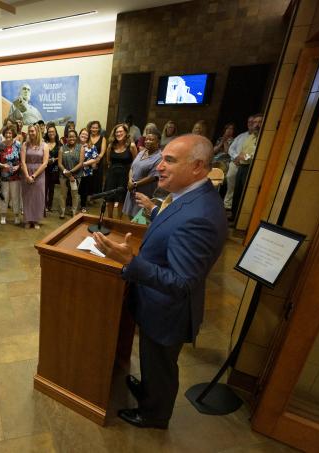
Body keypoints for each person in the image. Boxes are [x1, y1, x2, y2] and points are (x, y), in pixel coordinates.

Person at [93, 134, 227, 430]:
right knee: (153, 361)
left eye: (170, 160)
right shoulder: (189, 196)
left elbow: (181, 282)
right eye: (162, 158)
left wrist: (131, 262)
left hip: (168, 309)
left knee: (162, 365)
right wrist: (154, 211)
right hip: (156, 301)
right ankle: (149, 391)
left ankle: (154, 415)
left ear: (198, 167)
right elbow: (174, 225)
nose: (160, 167)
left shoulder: (201, 216)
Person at [122, 131, 163, 219]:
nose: (148, 141)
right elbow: (132, 167)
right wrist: (130, 181)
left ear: (158, 142)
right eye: (147, 139)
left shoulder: (159, 157)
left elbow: (153, 177)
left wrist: (135, 184)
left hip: (144, 192)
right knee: (130, 215)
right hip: (132, 189)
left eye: (151, 140)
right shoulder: (141, 152)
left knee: (140, 218)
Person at [231, 115, 263, 221]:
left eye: (259, 122)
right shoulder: (251, 136)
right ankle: (234, 216)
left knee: (244, 194)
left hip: (250, 168)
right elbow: (242, 151)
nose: (257, 125)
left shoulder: (262, 138)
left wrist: (243, 157)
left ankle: (240, 219)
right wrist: (238, 158)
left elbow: (256, 155)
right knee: (237, 192)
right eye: (255, 122)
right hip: (242, 167)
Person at [103, 123, 137, 219]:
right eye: (116, 132)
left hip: (124, 176)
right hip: (112, 175)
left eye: (121, 131)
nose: (118, 134)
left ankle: (119, 220)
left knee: (121, 199)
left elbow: (135, 163)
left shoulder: (132, 146)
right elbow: (108, 161)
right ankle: (109, 218)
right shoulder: (111, 146)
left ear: (126, 133)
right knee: (109, 199)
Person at [224, 115, 256, 210]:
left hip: (247, 164)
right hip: (235, 161)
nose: (251, 124)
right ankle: (227, 204)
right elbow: (231, 148)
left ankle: (236, 207)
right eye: (249, 122)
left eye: (253, 122)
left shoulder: (258, 137)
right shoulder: (242, 136)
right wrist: (236, 157)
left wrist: (242, 158)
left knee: (241, 187)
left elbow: (253, 153)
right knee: (230, 177)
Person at [20, 124, 48, 229]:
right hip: (26, 172)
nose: (31, 133)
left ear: (37, 132)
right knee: (27, 197)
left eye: (33, 131)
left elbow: (45, 163)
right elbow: (22, 161)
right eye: (29, 131)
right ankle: (28, 219)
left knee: (38, 197)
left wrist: (34, 176)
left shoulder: (44, 145)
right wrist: (27, 176)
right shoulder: (24, 145)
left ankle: (36, 220)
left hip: (39, 174)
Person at [6, 83, 71, 125]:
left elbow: (43, 124)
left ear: (30, 93)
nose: (26, 91)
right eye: (24, 89)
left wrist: (59, 120)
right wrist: (19, 105)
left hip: (37, 131)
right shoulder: (15, 105)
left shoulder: (35, 110)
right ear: (20, 91)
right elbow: (10, 121)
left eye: (28, 90)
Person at [0, 126, 22, 225]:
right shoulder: (0, 146)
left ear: (13, 134)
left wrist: (18, 166)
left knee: (16, 197)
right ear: (3, 134)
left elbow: (23, 160)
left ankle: (16, 215)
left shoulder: (18, 145)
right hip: (4, 177)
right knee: (4, 196)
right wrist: (3, 165)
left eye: (10, 133)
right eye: (6, 133)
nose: (8, 135)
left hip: (16, 176)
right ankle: (3, 215)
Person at [56, 129, 84, 219]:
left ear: (76, 137)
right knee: (63, 194)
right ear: (66, 138)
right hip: (63, 176)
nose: (71, 138)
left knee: (74, 194)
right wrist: (66, 172)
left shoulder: (81, 147)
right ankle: (62, 212)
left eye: (73, 136)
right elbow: (59, 163)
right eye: (69, 136)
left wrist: (71, 172)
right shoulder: (62, 148)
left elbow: (81, 163)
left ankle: (74, 212)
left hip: (76, 176)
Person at [78, 128, 99, 213]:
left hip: (86, 172)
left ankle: (83, 205)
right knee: (74, 190)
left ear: (88, 136)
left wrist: (84, 164)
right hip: (75, 172)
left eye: (86, 134)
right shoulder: (75, 145)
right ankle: (72, 205)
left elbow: (95, 158)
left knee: (84, 190)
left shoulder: (91, 146)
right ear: (79, 134)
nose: (84, 135)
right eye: (82, 134)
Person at [43, 123, 61, 213]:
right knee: (45, 187)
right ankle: (44, 205)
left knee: (52, 188)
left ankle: (50, 205)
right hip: (45, 168)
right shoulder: (44, 143)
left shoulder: (59, 144)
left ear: (56, 132)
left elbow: (61, 156)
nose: (51, 133)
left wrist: (54, 159)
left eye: (53, 131)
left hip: (55, 169)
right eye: (49, 131)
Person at [88, 120, 108, 197]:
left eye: (96, 128)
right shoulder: (87, 137)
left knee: (96, 180)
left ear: (99, 129)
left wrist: (96, 161)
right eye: (93, 127)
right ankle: (87, 196)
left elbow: (102, 152)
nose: (94, 129)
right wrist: (89, 162)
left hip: (98, 163)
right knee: (87, 181)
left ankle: (93, 196)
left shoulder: (102, 138)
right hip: (87, 162)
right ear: (90, 128)